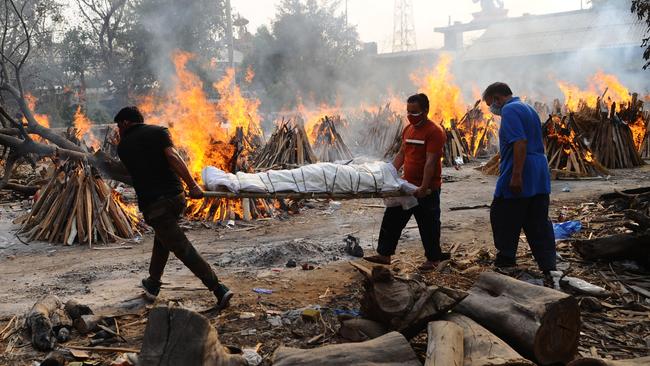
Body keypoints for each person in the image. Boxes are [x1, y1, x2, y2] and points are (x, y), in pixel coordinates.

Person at [115, 106, 233, 309]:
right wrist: (192, 186)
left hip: (154, 205)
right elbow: (173, 158)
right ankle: (153, 283)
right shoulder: (158, 132)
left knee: (181, 247)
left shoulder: (123, 146)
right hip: (177, 198)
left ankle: (217, 288)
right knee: (163, 239)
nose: (118, 130)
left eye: (119, 125)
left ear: (126, 123)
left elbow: (136, 170)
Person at [365, 93, 449, 271]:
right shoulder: (408, 129)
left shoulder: (434, 132)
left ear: (426, 111)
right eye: (408, 111)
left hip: (426, 188)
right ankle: (384, 254)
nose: (411, 115)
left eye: (415, 112)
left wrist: (424, 187)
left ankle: (433, 259)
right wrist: (390, 174)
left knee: (429, 224)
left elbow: (431, 162)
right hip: (405, 186)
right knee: (392, 218)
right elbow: (402, 154)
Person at [482, 82, 556, 274]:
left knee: (503, 214)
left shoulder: (510, 110)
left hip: (522, 169)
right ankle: (548, 264)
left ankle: (506, 259)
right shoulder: (527, 107)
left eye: (491, 103)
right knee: (537, 219)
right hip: (538, 170)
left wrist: (516, 176)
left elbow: (520, 142)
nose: (492, 109)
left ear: (498, 98)